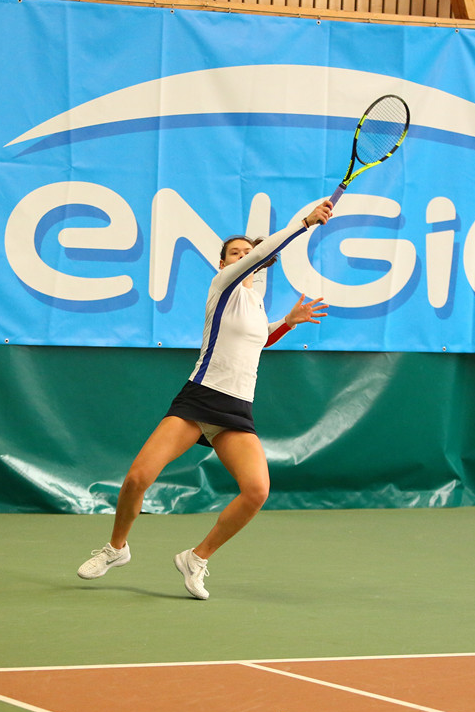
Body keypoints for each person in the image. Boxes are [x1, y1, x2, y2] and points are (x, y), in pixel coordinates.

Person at [76, 199, 334, 599]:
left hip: (237, 410)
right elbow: (264, 253)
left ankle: (196, 558)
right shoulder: (224, 286)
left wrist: (286, 322)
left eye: (247, 252)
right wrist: (305, 222)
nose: (244, 256)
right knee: (138, 477)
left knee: (256, 491)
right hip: (198, 401)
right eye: (235, 253)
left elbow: (257, 342)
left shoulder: (255, 303)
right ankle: (116, 548)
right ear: (223, 264)